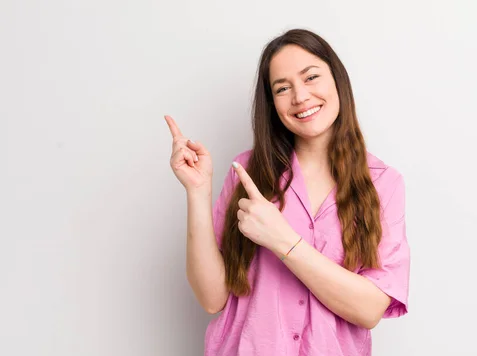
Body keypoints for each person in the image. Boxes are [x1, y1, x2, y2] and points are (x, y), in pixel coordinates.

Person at [165, 28, 410, 356]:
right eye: (283, 88)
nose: (300, 97)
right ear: (272, 103)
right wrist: (197, 192)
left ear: (337, 80)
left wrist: (283, 240)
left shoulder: (383, 183)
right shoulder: (247, 172)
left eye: (311, 77)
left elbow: (369, 310)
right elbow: (212, 299)